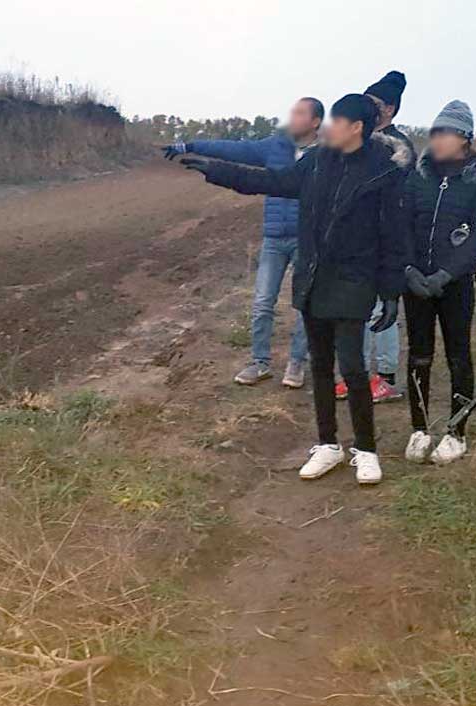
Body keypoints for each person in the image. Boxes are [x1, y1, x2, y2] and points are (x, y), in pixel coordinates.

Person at [177, 94, 410, 485]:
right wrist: (216, 170)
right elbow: (272, 181)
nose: (327, 126)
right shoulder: (316, 162)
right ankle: (327, 444)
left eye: (336, 121)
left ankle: (366, 450)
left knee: (351, 367)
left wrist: (390, 292)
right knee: (320, 365)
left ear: (356, 128)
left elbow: (394, 235)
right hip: (314, 276)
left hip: (354, 279)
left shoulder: (383, 172)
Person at [163, 98, 324, 389]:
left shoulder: (327, 155)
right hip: (274, 237)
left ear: (315, 122)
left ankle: (297, 363)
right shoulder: (275, 146)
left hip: (309, 240)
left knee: (306, 305)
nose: (292, 118)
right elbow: (235, 148)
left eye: (300, 113)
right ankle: (260, 363)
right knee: (262, 302)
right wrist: (190, 146)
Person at [401, 100, 476, 465]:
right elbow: (405, 225)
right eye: (434, 132)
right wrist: (410, 270)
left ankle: (457, 432)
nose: (437, 139)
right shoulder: (420, 174)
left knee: (458, 355)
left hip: (454, 283)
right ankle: (419, 428)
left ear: (464, 138)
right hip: (415, 283)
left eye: (445, 132)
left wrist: (447, 273)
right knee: (419, 354)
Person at [334, 70, 416, 404]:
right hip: (353, 243)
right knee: (353, 312)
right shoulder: (355, 142)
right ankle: (355, 375)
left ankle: (384, 376)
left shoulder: (399, 148)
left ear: (391, 110)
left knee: (381, 311)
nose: (369, 108)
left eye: (376, 104)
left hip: (384, 245)